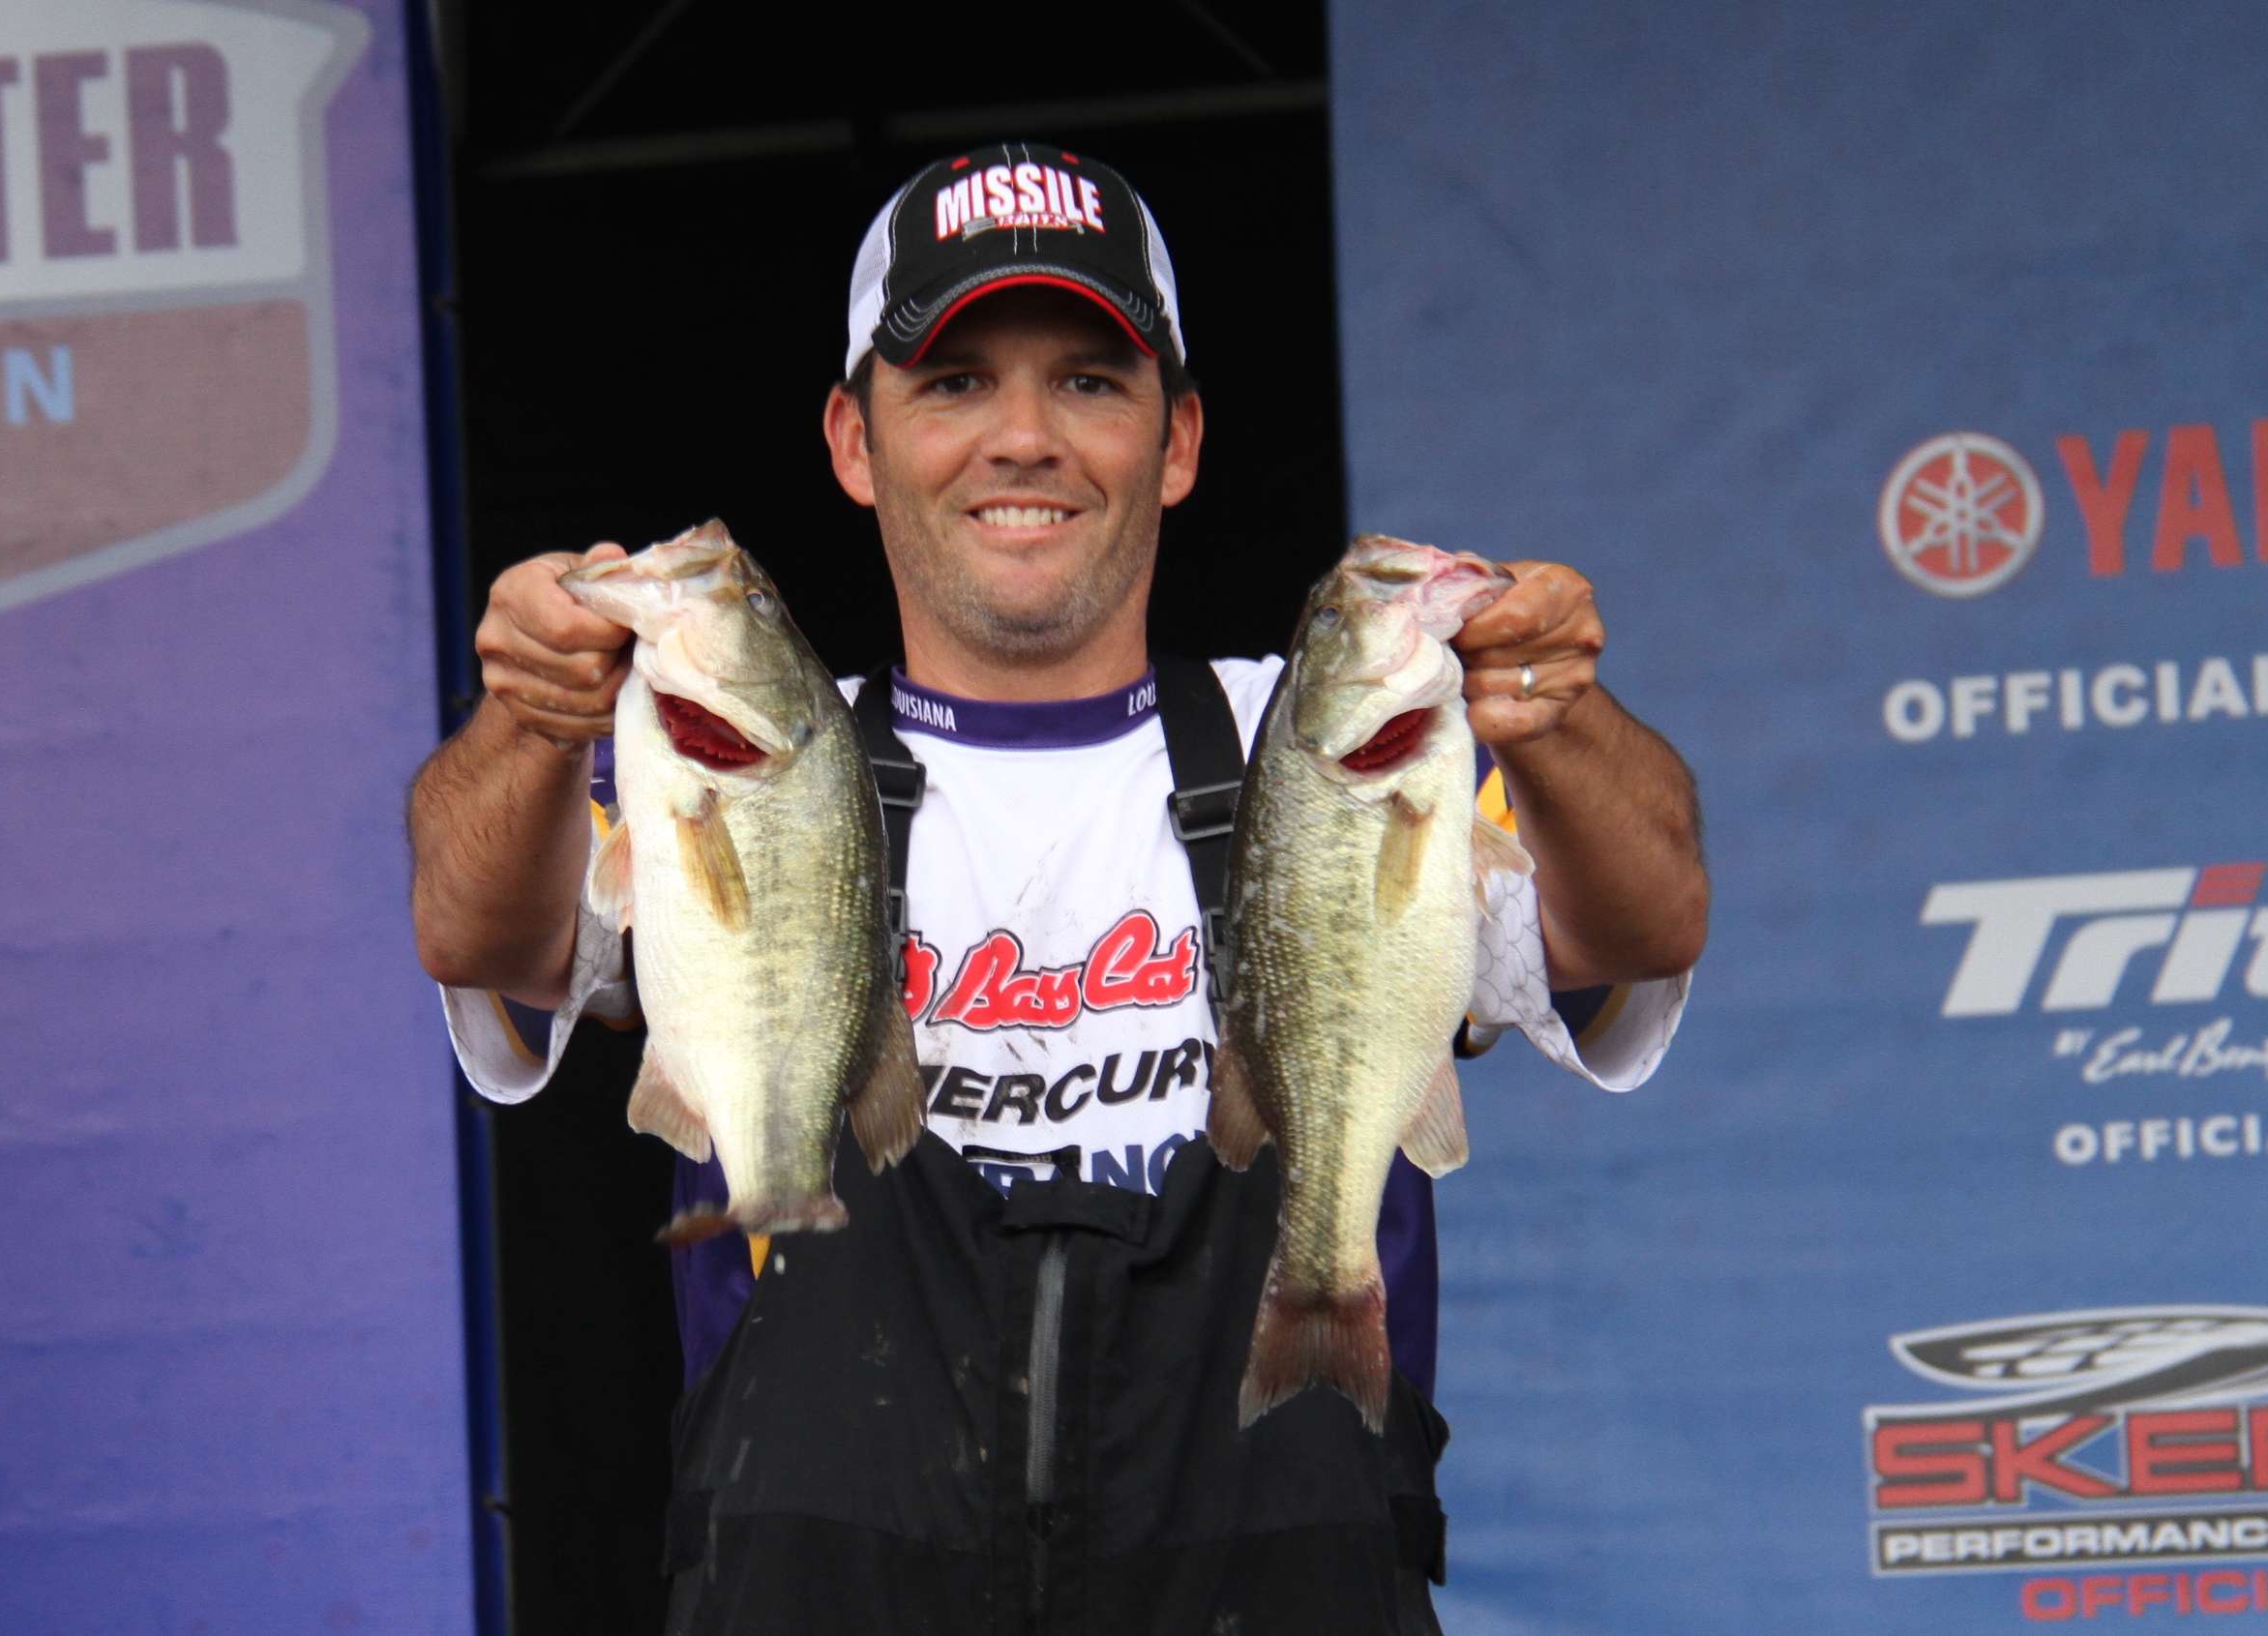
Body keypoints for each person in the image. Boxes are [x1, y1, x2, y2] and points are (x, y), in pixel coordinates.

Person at [409, 141, 1707, 1634]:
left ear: (1179, 440)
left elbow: (1646, 921)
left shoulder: (1332, 737)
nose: (1023, 438)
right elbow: (476, 933)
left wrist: (1558, 718)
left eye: (1089, 381)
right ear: (853, 442)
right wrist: (530, 720)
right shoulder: (736, 751)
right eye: (955, 384)